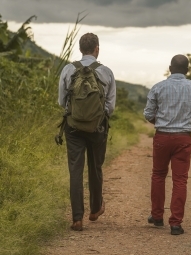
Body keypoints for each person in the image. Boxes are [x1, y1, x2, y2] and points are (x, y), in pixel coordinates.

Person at [58, 33, 116, 231]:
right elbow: (110, 105)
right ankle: (95, 209)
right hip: (98, 127)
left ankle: (76, 218)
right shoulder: (106, 72)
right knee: (95, 167)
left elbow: (61, 101)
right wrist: (97, 117)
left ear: (80, 49)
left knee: (75, 170)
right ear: (97, 49)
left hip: (73, 127)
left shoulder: (68, 69)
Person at [143, 54, 191, 235]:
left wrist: (162, 121)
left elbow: (148, 114)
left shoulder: (158, 88)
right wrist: (185, 117)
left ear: (170, 68)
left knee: (158, 175)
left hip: (162, 137)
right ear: (187, 70)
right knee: (180, 180)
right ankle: (176, 223)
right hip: (183, 139)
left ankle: (157, 216)